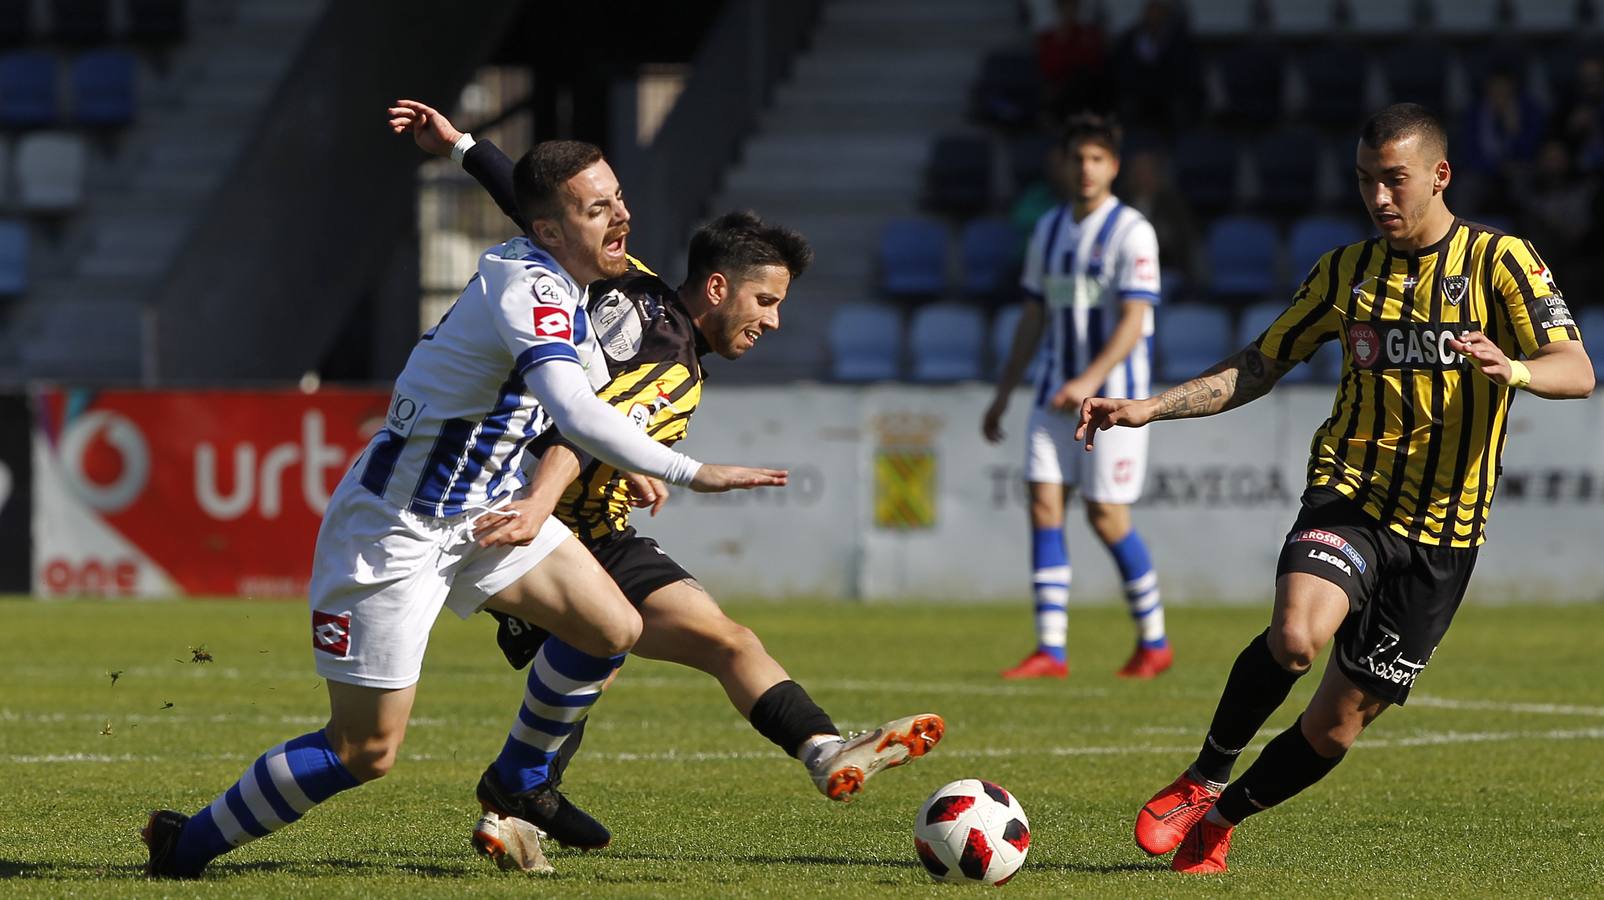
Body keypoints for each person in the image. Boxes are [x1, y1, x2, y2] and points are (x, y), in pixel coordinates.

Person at [139, 137, 790, 879]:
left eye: (619, 198)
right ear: (549, 231)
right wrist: (689, 471)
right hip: (397, 530)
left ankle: (520, 782)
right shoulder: (532, 288)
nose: (622, 219)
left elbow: (525, 196)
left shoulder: (578, 271)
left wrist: (459, 144)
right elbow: (572, 408)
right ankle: (182, 848)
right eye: (598, 208)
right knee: (365, 752)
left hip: (483, 517)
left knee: (613, 626)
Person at [390, 100, 945, 864]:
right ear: (717, 288)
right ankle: (517, 794)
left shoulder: (633, 283)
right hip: (546, 532)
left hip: (595, 527)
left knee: (715, 641)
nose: (774, 321)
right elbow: (576, 431)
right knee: (612, 648)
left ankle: (820, 750)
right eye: (766, 301)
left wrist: (458, 144)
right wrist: (544, 507)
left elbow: (532, 206)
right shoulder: (672, 366)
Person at [1077, 103, 1593, 874]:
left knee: (1337, 725)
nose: (1380, 198)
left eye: (1396, 180)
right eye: (1365, 182)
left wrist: (1515, 369)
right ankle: (1206, 772)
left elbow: (1577, 368)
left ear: (1439, 175)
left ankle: (1221, 818)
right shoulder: (1343, 273)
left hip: (1444, 534)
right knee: (1294, 638)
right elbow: (1261, 364)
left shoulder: (1502, 263)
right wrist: (1150, 406)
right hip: (1351, 494)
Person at [983, 112, 1171, 682]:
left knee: (1107, 516)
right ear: (1063, 166)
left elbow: (1135, 320)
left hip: (1114, 402)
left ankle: (1154, 639)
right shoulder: (1048, 230)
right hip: (1051, 395)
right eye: (1077, 159)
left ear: (1112, 166)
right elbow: (1034, 316)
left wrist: (1091, 380)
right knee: (1043, 506)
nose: (1086, 169)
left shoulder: (1132, 231)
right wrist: (1004, 392)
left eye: (1097, 159)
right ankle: (1051, 649)